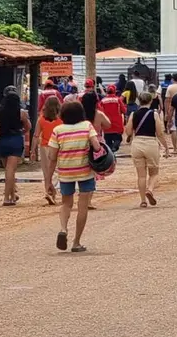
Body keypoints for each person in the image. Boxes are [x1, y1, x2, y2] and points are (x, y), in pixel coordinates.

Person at [47, 100, 104, 252]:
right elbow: (97, 146)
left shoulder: (58, 130)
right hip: (85, 171)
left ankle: (63, 229)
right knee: (82, 206)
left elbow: (52, 156)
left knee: (66, 204)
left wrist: (48, 180)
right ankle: (76, 242)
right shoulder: (87, 126)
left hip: (65, 172)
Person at [125, 92, 167, 208]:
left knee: (141, 176)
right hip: (150, 143)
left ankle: (143, 200)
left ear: (139, 101)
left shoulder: (133, 114)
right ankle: (150, 190)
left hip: (137, 143)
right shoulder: (154, 114)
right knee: (154, 172)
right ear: (150, 101)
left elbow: (128, 132)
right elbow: (159, 133)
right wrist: (166, 147)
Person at [0, 90, 30, 206]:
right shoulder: (21, 113)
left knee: (8, 170)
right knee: (11, 170)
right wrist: (21, 132)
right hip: (15, 140)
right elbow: (28, 127)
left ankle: (13, 196)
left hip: (2, 141)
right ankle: (6, 198)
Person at [33, 96, 63, 205]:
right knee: (55, 171)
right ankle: (51, 190)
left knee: (46, 171)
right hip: (57, 147)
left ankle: (48, 191)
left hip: (44, 147)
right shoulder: (61, 120)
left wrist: (33, 150)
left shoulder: (41, 119)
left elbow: (36, 135)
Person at [99, 85, 126, 154]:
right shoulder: (118, 100)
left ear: (107, 91)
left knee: (108, 143)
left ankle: (111, 153)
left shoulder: (102, 101)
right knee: (118, 139)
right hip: (117, 125)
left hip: (106, 126)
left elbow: (100, 111)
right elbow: (124, 110)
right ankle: (114, 147)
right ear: (115, 91)